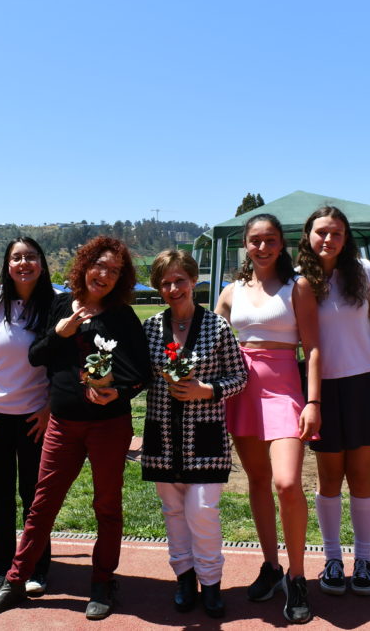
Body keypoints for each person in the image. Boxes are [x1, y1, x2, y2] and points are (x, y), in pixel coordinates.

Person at [0, 236, 150, 621]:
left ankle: (103, 582)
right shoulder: (59, 305)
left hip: (109, 426)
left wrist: (119, 392)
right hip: (63, 424)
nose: (104, 275)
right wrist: (61, 332)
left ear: (121, 278)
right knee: (42, 505)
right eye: (99, 266)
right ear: (85, 265)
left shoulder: (122, 315)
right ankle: (15, 581)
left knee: (107, 506)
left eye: (114, 270)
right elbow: (35, 355)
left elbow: (143, 372)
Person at [215, 213, 321, 624]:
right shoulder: (230, 292)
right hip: (243, 393)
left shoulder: (298, 286)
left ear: (282, 244)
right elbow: (211, 341)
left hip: (285, 392)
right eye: (255, 240)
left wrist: (313, 402)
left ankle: (298, 576)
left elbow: (313, 347)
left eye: (270, 240)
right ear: (245, 244)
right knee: (258, 482)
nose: (262, 247)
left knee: (287, 483)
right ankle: (272, 567)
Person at [297, 206, 370, 598]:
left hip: (367, 382)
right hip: (322, 389)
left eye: (336, 233)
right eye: (321, 232)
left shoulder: (364, 271)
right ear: (308, 235)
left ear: (346, 237)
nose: (328, 239)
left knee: (361, 476)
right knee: (328, 479)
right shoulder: (298, 280)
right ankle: (332, 559)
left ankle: (364, 560)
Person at [141, 250, 248, 619]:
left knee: (202, 511)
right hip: (162, 437)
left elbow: (240, 378)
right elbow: (138, 377)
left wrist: (207, 389)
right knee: (172, 511)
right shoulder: (150, 328)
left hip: (206, 438)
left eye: (180, 281)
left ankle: (211, 582)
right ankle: (184, 579)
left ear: (193, 281)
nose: (173, 289)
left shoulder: (217, 327)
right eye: (165, 283)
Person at [0, 237, 55, 596]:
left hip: (35, 417)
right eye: (16, 258)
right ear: (7, 264)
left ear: (42, 264)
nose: (23, 263)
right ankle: (2, 568)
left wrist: (48, 408)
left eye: (31, 257)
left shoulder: (54, 303)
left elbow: (64, 362)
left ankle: (37, 567)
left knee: (35, 497)